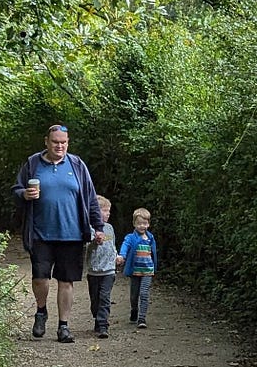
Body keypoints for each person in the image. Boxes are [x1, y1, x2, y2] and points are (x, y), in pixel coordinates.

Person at [12, 124, 106, 343]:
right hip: (40, 234)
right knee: (40, 277)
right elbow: (15, 190)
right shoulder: (33, 163)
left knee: (66, 281)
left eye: (63, 142)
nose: (59, 146)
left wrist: (97, 226)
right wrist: (24, 194)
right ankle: (41, 311)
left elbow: (91, 198)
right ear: (46, 142)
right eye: (55, 142)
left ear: (68, 143)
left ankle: (64, 326)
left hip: (71, 234)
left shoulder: (77, 165)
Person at [116, 208, 157, 329]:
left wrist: (155, 266)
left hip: (147, 270)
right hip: (135, 271)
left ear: (148, 224)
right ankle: (134, 309)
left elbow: (154, 253)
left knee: (144, 294)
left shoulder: (150, 238)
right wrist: (122, 256)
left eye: (144, 223)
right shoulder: (130, 237)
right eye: (139, 223)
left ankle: (142, 318)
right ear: (134, 224)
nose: (142, 226)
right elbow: (125, 246)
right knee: (134, 296)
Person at [85, 196, 117, 338]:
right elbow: (87, 247)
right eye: (105, 211)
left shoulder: (110, 228)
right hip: (94, 271)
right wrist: (94, 242)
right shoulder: (90, 229)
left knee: (104, 297)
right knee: (95, 300)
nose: (108, 214)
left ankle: (103, 324)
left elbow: (112, 246)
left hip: (109, 270)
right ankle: (97, 317)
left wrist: (117, 257)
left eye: (108, 211)